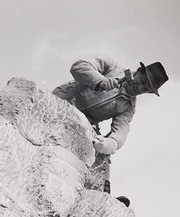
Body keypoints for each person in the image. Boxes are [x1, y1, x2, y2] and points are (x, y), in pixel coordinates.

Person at [52, 57, 169, 205]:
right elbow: (78, 66)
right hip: (65, 99)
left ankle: (102, 196)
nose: (140, 88)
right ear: (139, 71)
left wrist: (106, 144)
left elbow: (119, 134)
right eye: (142, 81)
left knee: (103, 156)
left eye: (146, 88)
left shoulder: (128, 107)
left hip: (86, 122)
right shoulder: (113, 68)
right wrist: (100, 81)